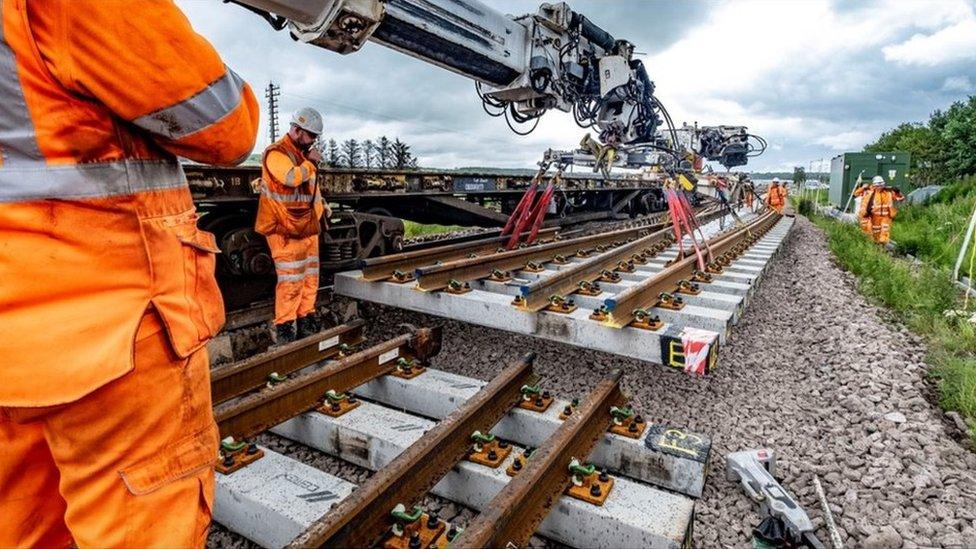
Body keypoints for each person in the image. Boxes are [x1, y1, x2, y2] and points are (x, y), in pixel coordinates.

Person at [0, 1, 259, 547]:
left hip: (14, 335)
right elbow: (227, 126)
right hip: (112, 331)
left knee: (26, 528)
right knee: (142, 523)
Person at [255, 108, 332, 343]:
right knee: (290, 282)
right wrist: (310, 163)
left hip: (306, 227)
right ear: (297, 130)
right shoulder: (276, 153)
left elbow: (308, 189)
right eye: (311, 136)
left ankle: (306, 319)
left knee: (310, 279)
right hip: (285, 229)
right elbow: (292, 178)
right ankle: (286, 329)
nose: (313, 142)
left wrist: (322, 206)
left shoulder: (300, 155)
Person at [858, 175, 904, 245]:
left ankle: (883, 245)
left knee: (884, 232)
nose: (879, 187)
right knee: (875, 233)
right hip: (874, 217)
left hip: (886, 217)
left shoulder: (889, 193)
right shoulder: (870, 193)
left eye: (881, 185)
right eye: (877, 185)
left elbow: (901, 198)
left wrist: (898, 191)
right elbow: (856, 194)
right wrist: (862, 188)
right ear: (874, 185)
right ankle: (876, 246)